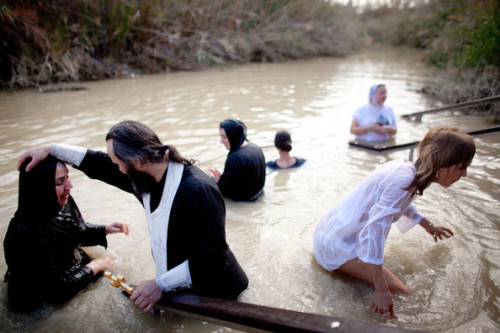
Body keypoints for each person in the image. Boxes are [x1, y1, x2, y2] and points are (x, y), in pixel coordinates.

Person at [18, 120, 248, 312]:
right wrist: (51, 148)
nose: (116, 169)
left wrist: (159, 284)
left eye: (119, 163)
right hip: (183, 290)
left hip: (221, 294)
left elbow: (212, 258)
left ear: (136, 162)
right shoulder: (147, 177)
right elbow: (99, 164)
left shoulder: (198, 190)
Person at [313, 126, 475, 319]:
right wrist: (381, 290)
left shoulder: (406, 170)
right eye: (462, 167)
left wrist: (428, 225)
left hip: (332, 229)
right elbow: (375, 229)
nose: (464, 174)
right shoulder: (403, 180)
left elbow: (398, 205)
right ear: (443, 163)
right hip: (335, 243)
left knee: (380, 278)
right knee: (402, 293)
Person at [4, 156, 130, 313]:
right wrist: (95, 266)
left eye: (67, 177)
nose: (69, 186)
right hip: (39, 304)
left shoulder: (62, 200)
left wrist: (104, 229)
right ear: (40, 187)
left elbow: (74, 229)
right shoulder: (24, 233)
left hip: (70, 270)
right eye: (59, 181)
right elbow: (57, 293)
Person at [205, 118, 266, 201]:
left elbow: (224, 192)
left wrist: (213, 179)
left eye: (224, 137)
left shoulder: (236, 157)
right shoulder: (255, 147)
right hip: (259, 196)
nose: (221, 141)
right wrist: (222, 178)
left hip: (244, 203)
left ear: (233, 135)